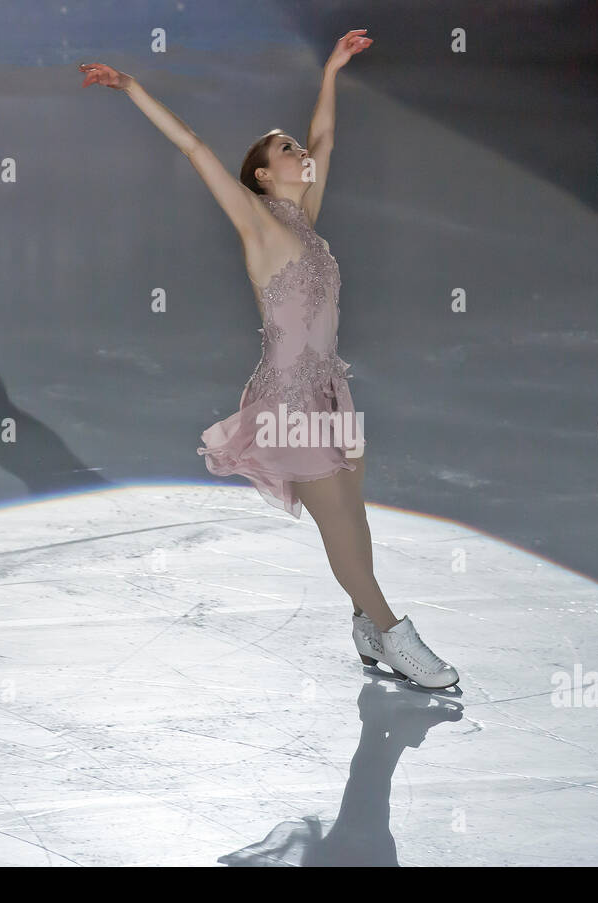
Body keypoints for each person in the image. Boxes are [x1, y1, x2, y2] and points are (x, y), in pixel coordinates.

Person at [78, 30, 458, 689]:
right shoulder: (257, 222)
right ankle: (397, 636)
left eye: (297, 146)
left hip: (332, 392)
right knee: (339, 525)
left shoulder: (304, 217)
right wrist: (133, 88)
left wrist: (334, 69)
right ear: (260, 173)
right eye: (287, 149)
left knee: (355, 518)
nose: (301, 151)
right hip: (288, 398)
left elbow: (328, 138)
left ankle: (365, 623)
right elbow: (195, 148)